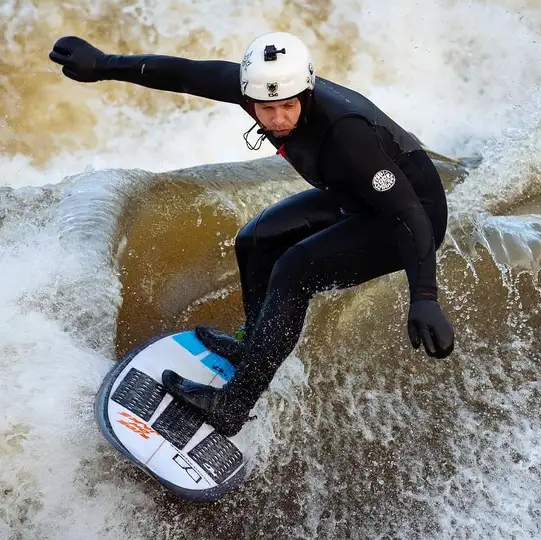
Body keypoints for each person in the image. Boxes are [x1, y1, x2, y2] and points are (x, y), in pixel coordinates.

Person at [49, 31, 455, 437]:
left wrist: (424, 297)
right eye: (266, 109)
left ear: (307, 94)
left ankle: (233, 403)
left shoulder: (348, 134)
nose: (277, 120)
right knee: (255, 240)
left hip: (408, 216)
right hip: (354, 197)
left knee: (294, 271)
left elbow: (409, 212)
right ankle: (252, 346)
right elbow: (183, 72)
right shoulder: (255, 90)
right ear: (249, 97)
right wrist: (103, 65)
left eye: (288, 108)